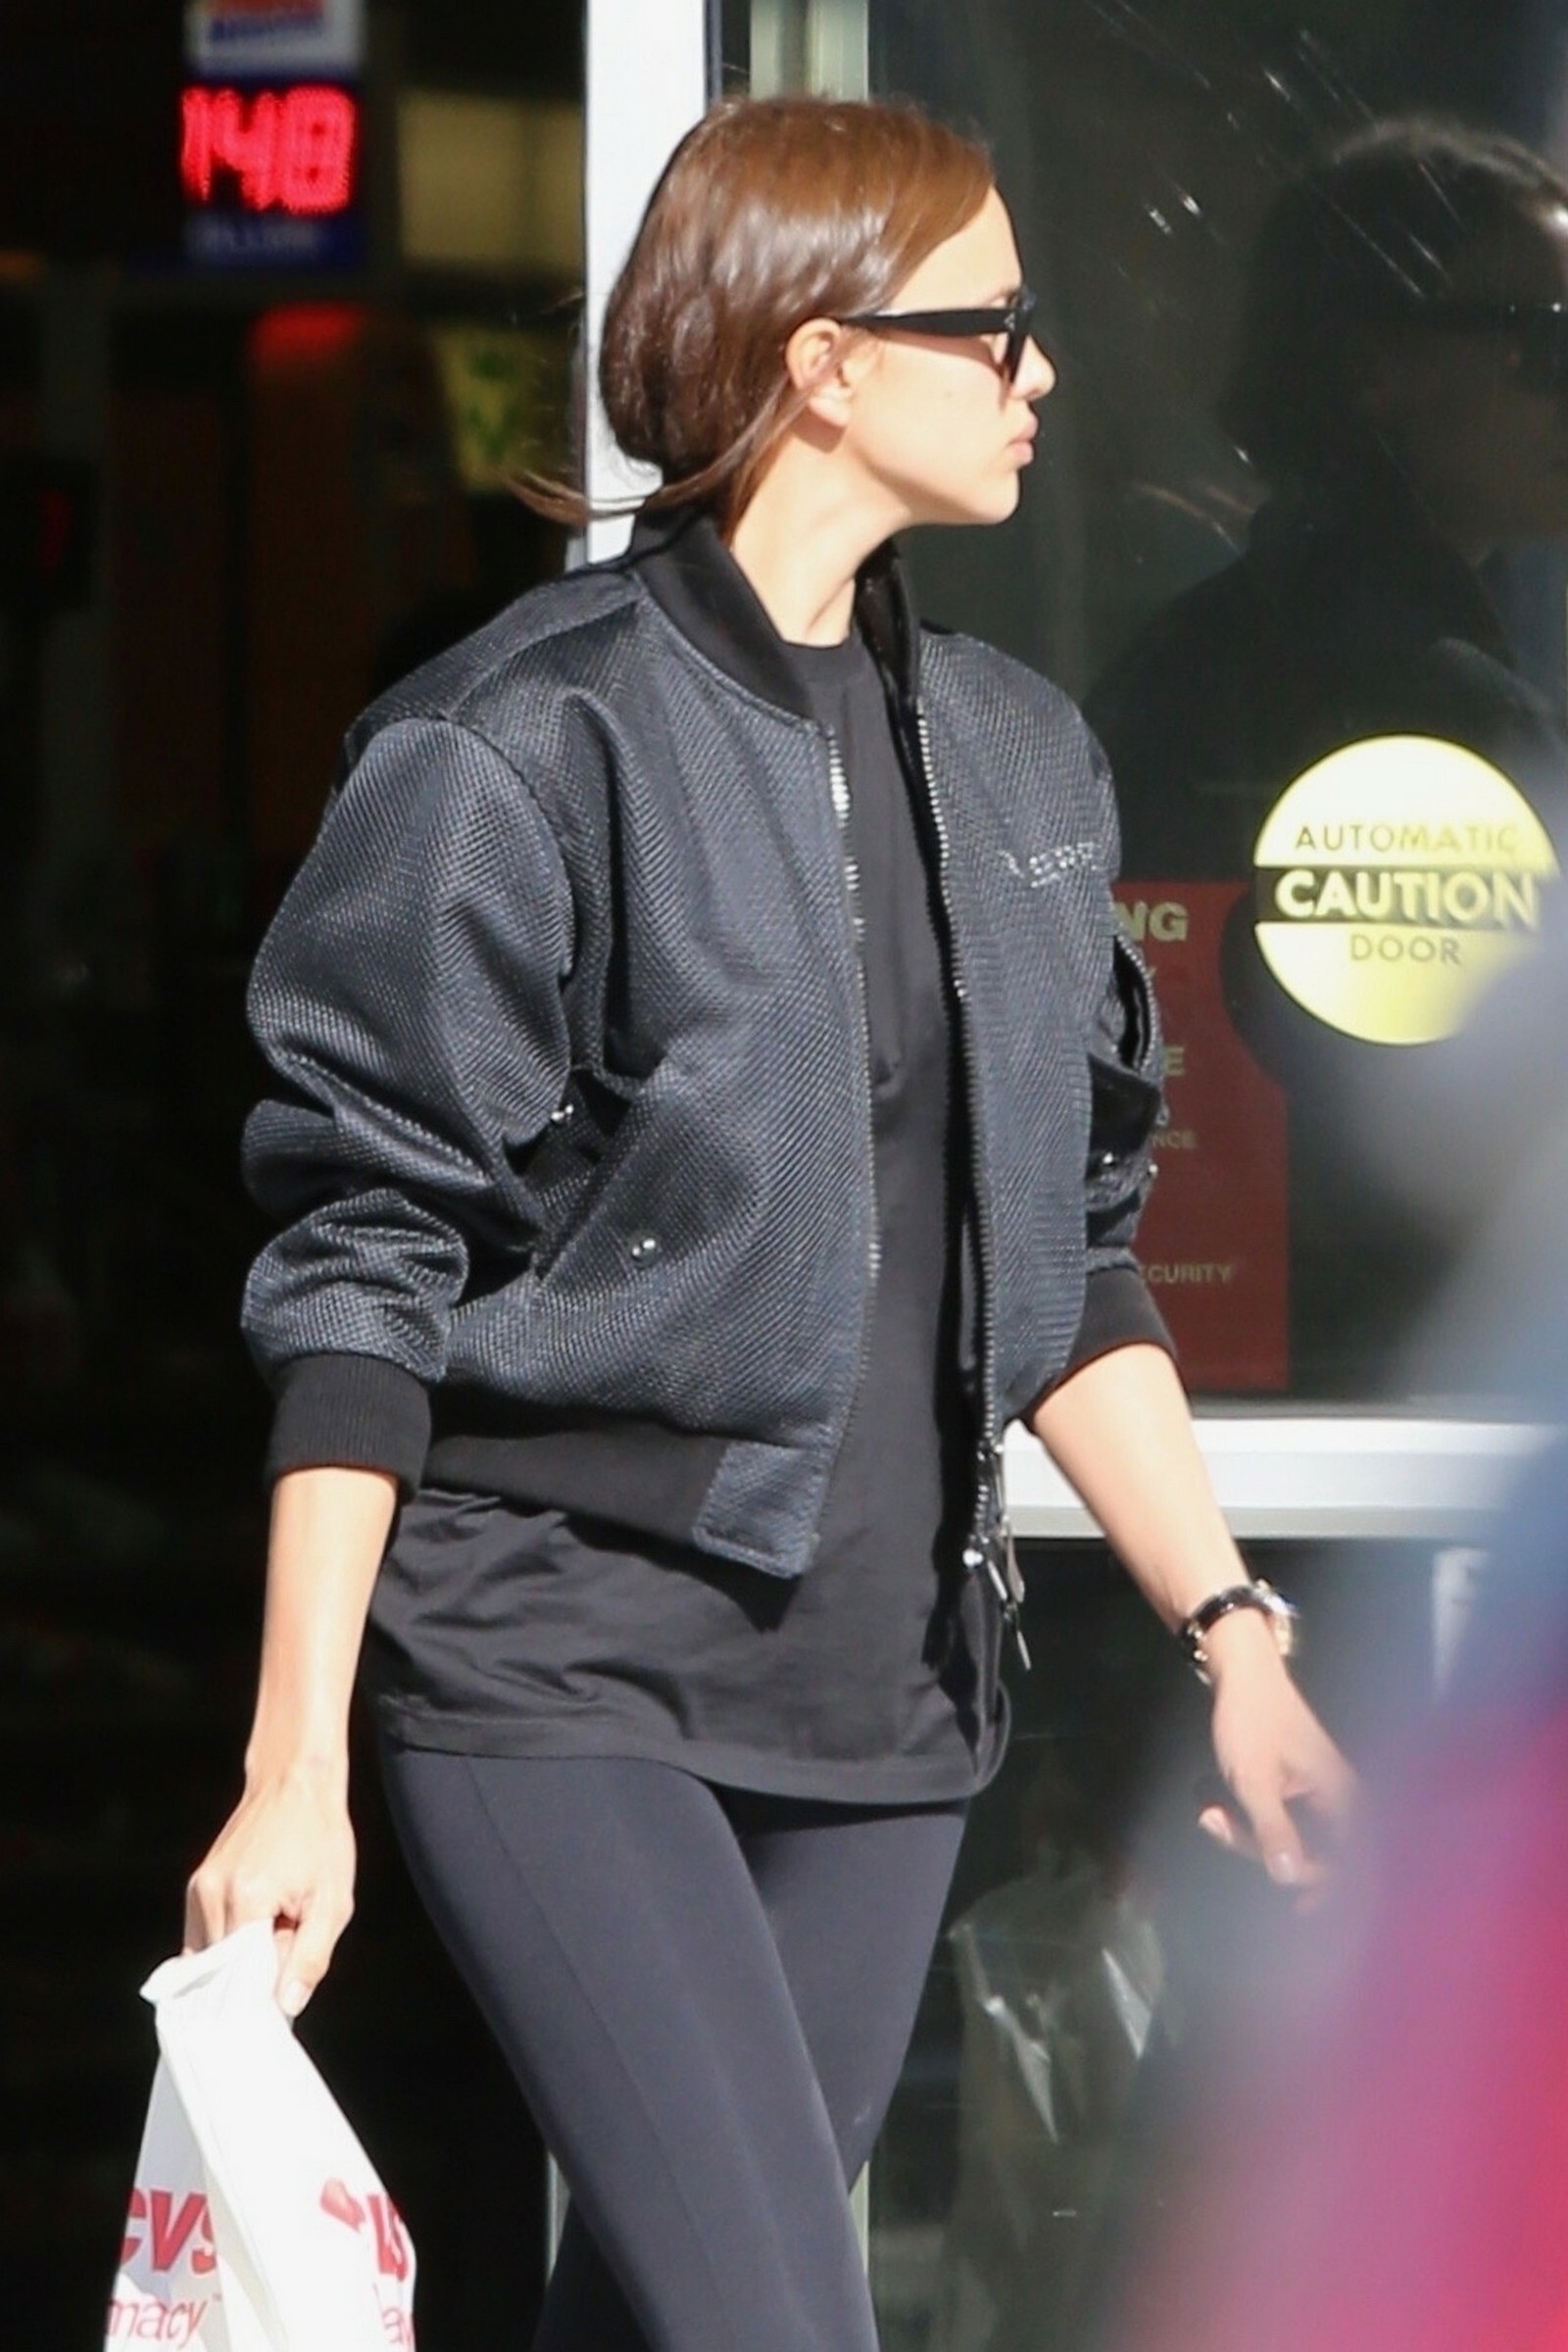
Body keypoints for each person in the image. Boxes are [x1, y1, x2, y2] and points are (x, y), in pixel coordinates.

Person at [183, 96, 1349, 2352]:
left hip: (885, 1713)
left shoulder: (1017, 759)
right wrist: (291, 1762)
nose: (1039, 369)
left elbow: (1068, 1255)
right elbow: (360, 1260)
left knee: (666, 2318)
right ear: (820, 360)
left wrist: (1233, 1639)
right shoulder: (515, 746)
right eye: (990, 323)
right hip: (558, 1675)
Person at [1087, 118, 1568, 1393]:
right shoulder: (1426, 695)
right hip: (1368, 1383)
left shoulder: (1214, 642)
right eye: (1547, 340)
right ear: (1374, 365)